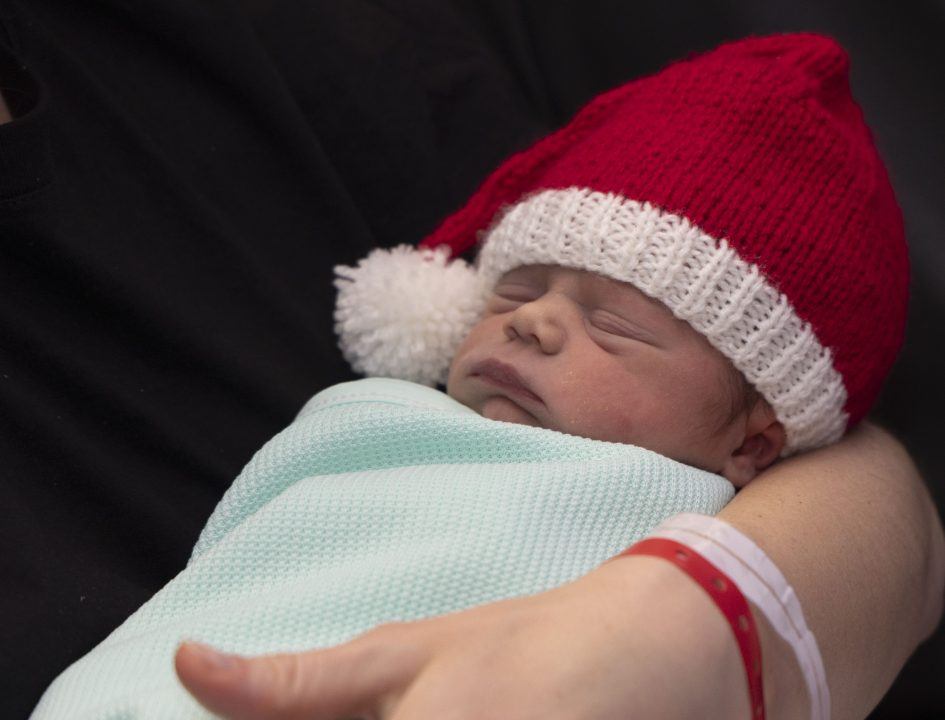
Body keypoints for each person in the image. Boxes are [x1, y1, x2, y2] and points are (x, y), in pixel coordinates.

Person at [29, 32, 939, 720]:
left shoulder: (707, 510)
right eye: (514, 290)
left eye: (614, 325)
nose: (532, 320)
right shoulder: (372, 423)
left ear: (751, 441)